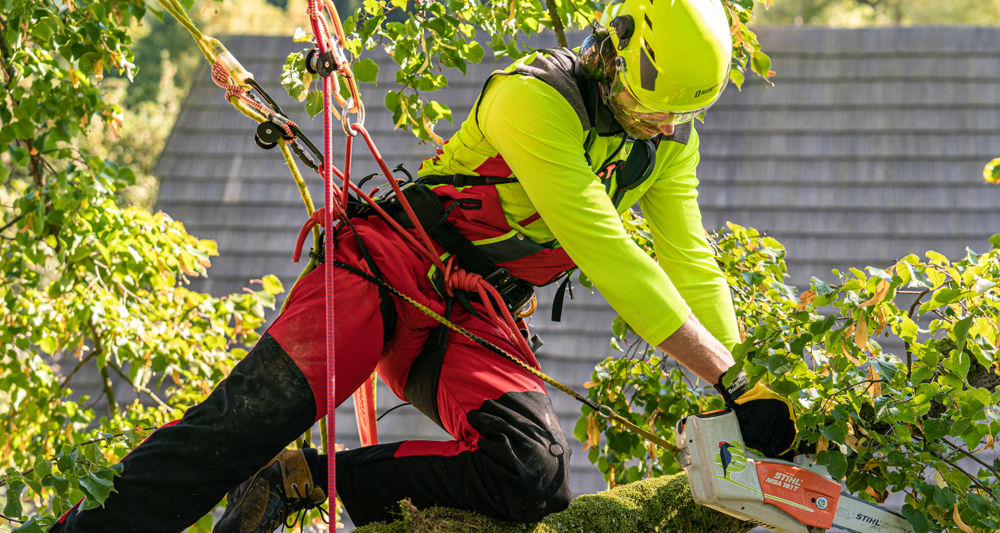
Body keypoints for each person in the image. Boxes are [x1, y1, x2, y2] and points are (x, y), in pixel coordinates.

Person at [51, 0, 796, 531]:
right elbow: (608, 250)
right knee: (247, 421)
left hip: (470, 311)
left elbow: (690, 259)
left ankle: (306, 476)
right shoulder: (533, 102)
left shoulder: (667, 147)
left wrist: (741, 385)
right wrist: (724, 377)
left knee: (531, 472)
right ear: (622, 50)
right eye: (656, 106)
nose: (664, 125)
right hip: (383, 267)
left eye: (678, 117)